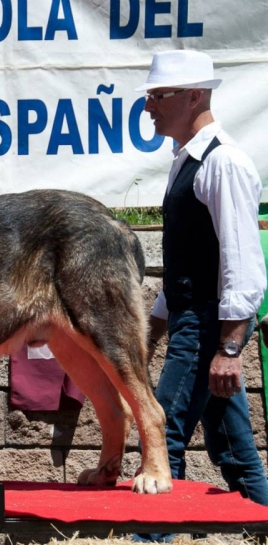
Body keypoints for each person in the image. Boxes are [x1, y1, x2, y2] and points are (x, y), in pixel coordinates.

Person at [133, 50, 268, 542]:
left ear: (194, 96)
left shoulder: (223, 162)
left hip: (210, 323)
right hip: (198, 318)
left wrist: (229, 349)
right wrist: (151, 329)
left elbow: (243, 264)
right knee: (233, 446)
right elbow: (186, 264)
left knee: (160, 432)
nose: (148, 106)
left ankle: (151, 537)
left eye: (158, 95)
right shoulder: (187, 162)